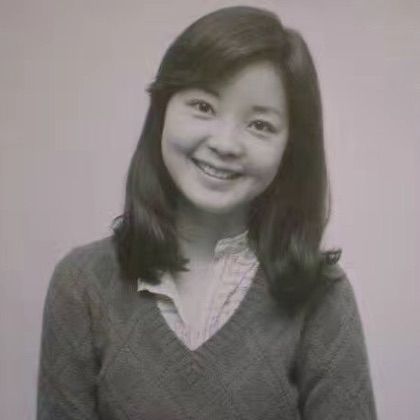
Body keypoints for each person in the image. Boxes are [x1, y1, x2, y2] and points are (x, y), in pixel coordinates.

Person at [37, 5, 377, 419]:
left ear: (290, 148)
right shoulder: (82, 285)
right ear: (162, 110)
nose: (225, 143)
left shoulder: (322, 296)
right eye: (203, 106)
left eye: (260, 125)